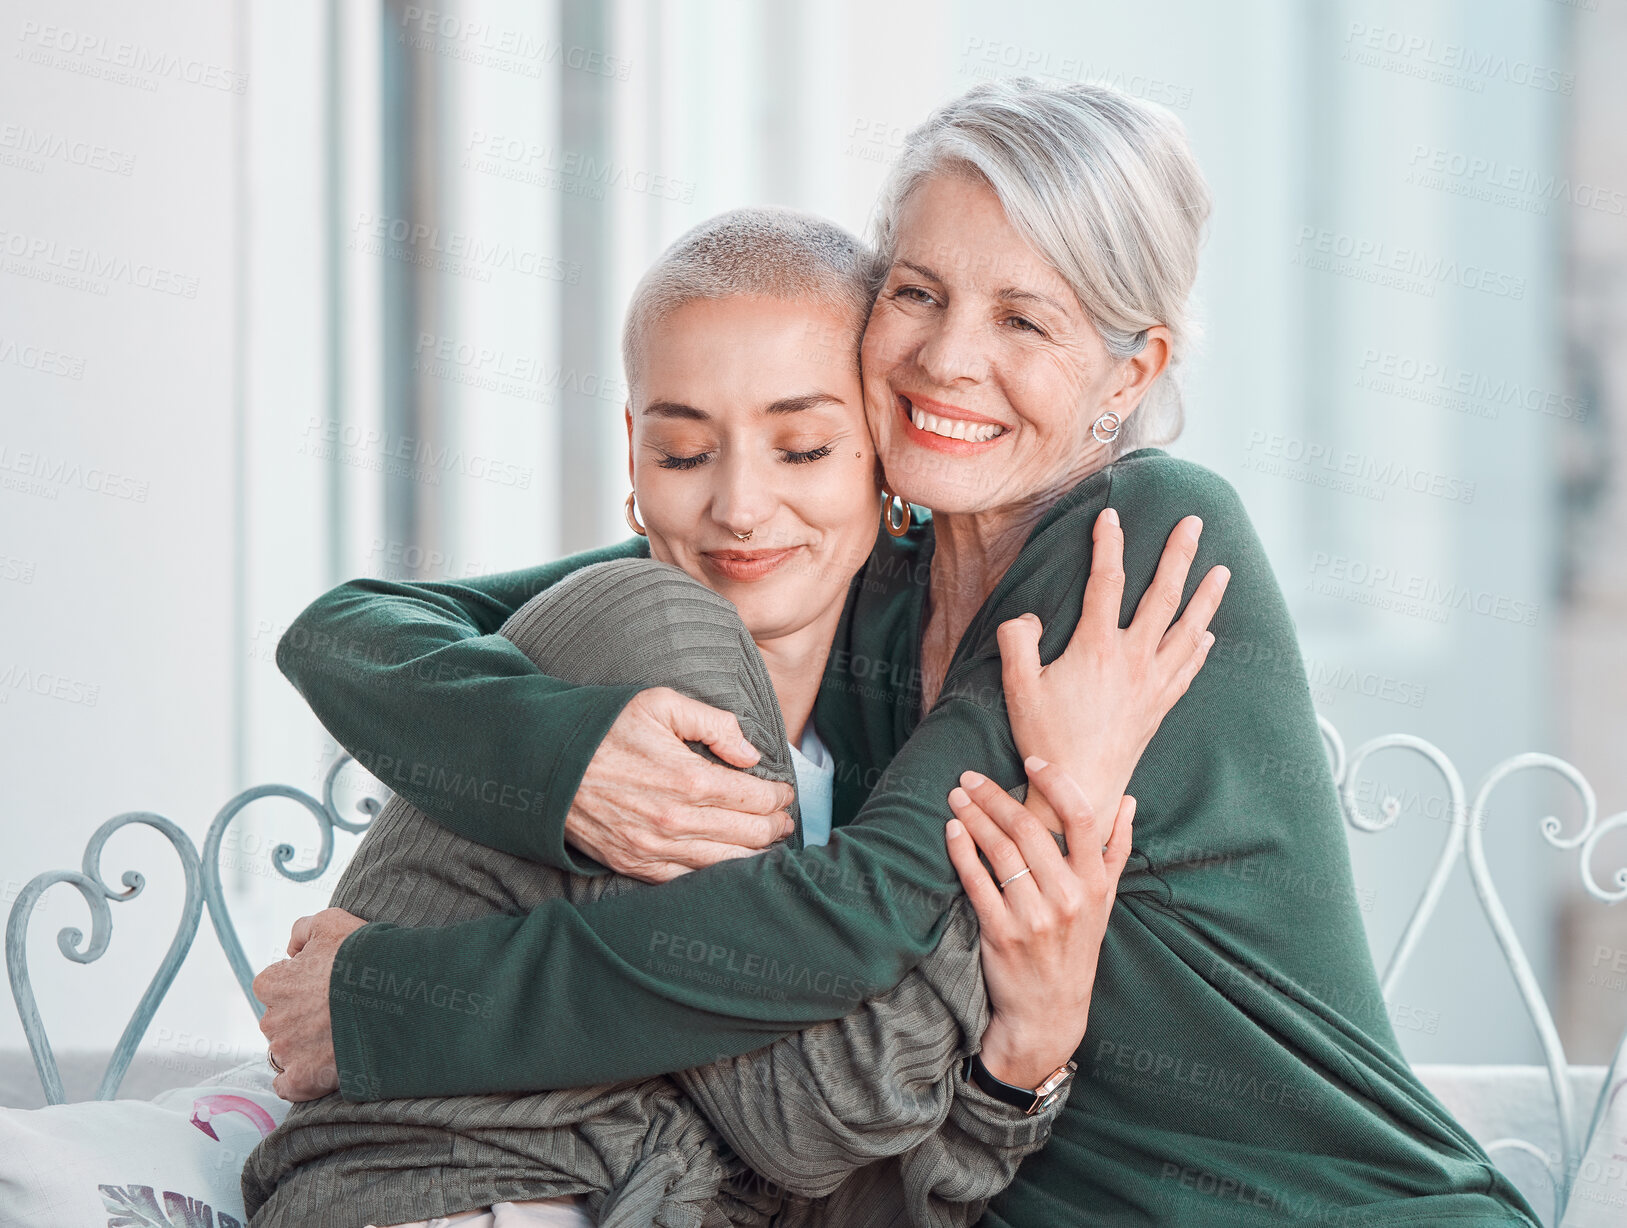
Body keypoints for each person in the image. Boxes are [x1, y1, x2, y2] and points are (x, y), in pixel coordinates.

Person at [258, 79, 1539, 1225]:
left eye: (1024, 320)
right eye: (918, 293)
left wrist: (389, 1004)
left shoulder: (1137, 535)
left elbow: (850, 917)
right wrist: (573, 760)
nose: (946, 356)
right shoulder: (867, 563)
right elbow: (353, 628)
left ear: (1127, 367)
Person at [244, 209, 1217, 1228]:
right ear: (632, 455)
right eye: (681, 454)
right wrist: (562, 756)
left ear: (885, 448)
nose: (741, 508)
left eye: (800, 448)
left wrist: (1031, 1054)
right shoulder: (653, 629)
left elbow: (851, 1198)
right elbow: (818, 1119)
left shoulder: (873, 728)